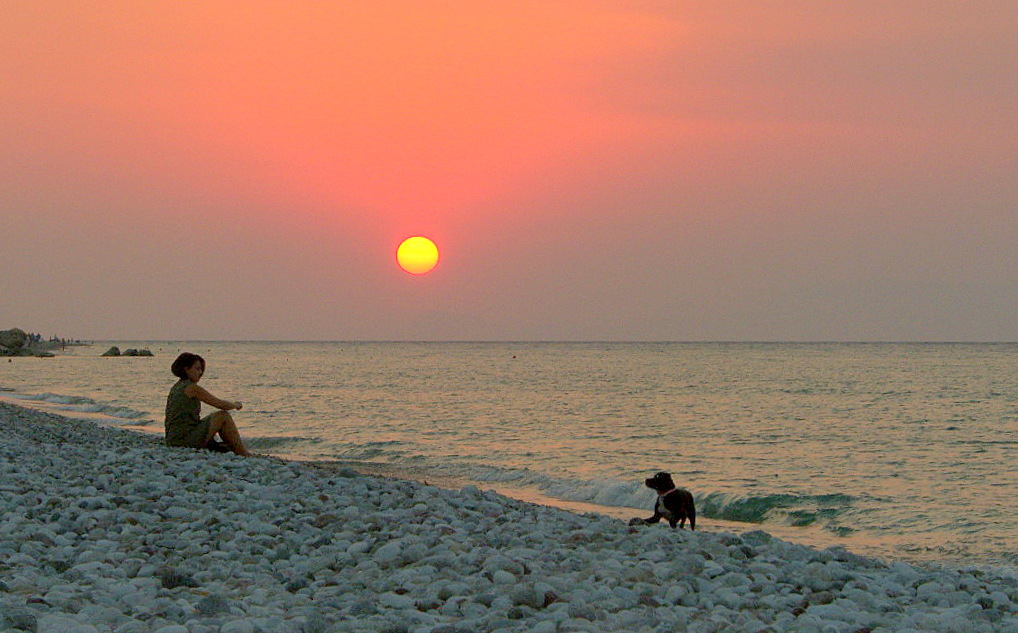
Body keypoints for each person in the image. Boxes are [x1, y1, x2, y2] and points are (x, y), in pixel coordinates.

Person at [165, 352, 251, 456]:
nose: (200, 373)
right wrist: (235, 405)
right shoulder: (192, 388)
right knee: (223, 416)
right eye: (197, 369)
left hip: (173, 438)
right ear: (186, 369)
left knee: (224, 444)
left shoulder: (177, 386)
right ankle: (243, 453)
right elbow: (220, 404)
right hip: (183, 440)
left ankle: (228, 447)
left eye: (201, 369)